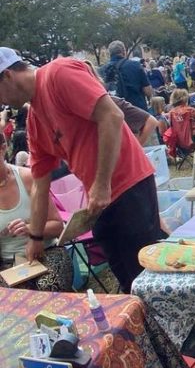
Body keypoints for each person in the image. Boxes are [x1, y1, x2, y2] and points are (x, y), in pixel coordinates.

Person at [0, 48, 165, 291]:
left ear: (6, 76)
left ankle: (186, 330)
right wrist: (35, 238)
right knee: (125, 276)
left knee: (145, 270)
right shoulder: (35, 122)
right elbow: (40, 186)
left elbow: (112, 116)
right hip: (97, 201)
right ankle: (148, 327)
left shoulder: (58, 74)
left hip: (128, 184)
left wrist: (101, 183)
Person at [0, 134, 72, 292]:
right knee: (12, 300)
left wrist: (31, 229)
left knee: (47, 286)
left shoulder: (28, 178)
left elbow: (58, 226)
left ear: (3, 148)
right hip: (8, 264)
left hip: (47, 252)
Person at [101, 40, 152, 111]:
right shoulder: (135, 66)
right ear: (124, 51)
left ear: (110, 53)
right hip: (137, 111)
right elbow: (148, 91)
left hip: (116, 112)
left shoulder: (101, 70)